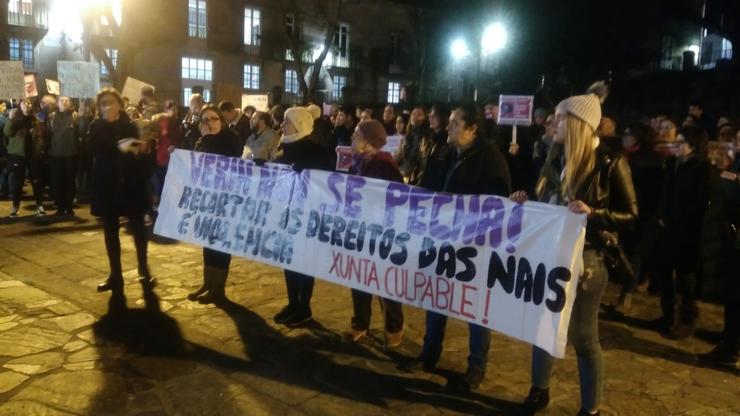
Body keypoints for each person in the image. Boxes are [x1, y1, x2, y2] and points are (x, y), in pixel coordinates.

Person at [512, 82, 637, 416]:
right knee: (541, 326)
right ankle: (539, 391)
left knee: (582, 337)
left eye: (560, 118)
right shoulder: (554, 157)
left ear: (578, 124)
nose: (553, 124)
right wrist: (525, 202)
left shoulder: (611, 162)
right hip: (548, 256)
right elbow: (544, 203)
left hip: (588, 261)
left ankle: (590, 408)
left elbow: (632, 215)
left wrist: (594, 213)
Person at [405, 105, 511, 391]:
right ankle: (429, 353)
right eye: (449, 123)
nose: (448, 128)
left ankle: (476, 365)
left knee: (474, 306)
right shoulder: (444, 152)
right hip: (441, 238)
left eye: (454, 124)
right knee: (436, 297)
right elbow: (430, 187)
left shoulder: (492, 159)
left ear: (472, 129)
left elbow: (497, 205)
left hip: (473, 246)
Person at [89, 87, 154, 302]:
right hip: (107, 185)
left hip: (131, 185)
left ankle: (143, 269)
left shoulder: (130, 125)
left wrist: (141, 148)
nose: (107, 106)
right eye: (103, 103)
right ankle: (115, 275)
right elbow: (94, 148)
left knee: (138, 229)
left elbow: (139, 154)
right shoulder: (96, 126)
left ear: (119, 104)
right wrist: (118, 145)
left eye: (111, 101)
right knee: (110, 231)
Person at [272, 107, 333, 327]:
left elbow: (325, 182)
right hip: (287, 212)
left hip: (308, 215)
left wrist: (306, 171)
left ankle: (304, 306)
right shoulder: (285, 147)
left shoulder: (316, 151)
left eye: (287, 122)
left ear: (298, 124)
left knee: (304, 261)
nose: (282, 125)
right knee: (288, 259)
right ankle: (292, 302)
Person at [346, 119, 404, 347]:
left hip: (381, 234)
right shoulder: (356, 164)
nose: (352, 138)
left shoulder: (385, 167)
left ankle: (394, 327)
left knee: (384, 281)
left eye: (356, 135)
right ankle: (360, 323)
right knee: (359, 276)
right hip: (360, 230)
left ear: (368, 142)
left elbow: (397, 201)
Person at [654, 125, 715, 340]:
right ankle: (668, 314)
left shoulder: (702, 169)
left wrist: (679, 219)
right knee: (663, 272)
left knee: (685, 277)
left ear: (694, 145)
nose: (676, 147)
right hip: (667, 228)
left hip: (687, 231)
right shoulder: (673, 165)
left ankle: (687, 320)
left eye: (681, 143)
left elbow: (699, 203)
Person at [186, 104, 243, 306]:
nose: (210, 123)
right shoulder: (203, 140)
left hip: (226, 198)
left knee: (221, 243)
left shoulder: (231, 139)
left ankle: (218, 289)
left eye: (214, 119)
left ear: (222, 120)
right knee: (208, 241)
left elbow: (229, 164)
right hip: (207, 198)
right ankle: (207, 283)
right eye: (205, 120)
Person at [615, 123, 664, 314]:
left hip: (641, 216)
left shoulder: (650, 162)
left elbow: (649, 194)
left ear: (639, 140)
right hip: (622, 213)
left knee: (633, 255)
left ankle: (626, 295)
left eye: (629, 135)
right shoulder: (623, 156)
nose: (624, 138)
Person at [5, 98, 46, 217]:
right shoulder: (15, 118)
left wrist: (38, 139)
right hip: (18, 155)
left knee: (36, 181)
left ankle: (39, 205)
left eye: (28, 103)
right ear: (19, 106)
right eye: (24, 103)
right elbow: (7, 133)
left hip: (33, 155)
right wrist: (10, 119)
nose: (26, 105)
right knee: (17, 182)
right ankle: (15, 207)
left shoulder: (36, 120)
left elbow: (41, 136)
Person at [47, 96, 80, 216]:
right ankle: (60, 207)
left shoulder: (75, 116)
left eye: (67, 100)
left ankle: (69, 206)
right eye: (62, 100)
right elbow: (47, 134)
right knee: (57, 182)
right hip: (56, 154)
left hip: (71, 154)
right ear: (58, 103)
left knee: (70, 182)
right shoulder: (52, 116)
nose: (64, 102)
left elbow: (79, 133)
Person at [415, 105, 449, 190]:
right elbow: (419, 163)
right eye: (429, 116)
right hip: (421, 186)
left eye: (434, 116)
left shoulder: (448, 142)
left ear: (442, 118)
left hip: (436, 190)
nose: (430, 119)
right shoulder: (427, 139)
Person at [152, 111, 182, 201]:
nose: (164, 123)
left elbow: (178, 145)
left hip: (168, 164)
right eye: (162, 121)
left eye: (166, 121)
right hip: (156, 164)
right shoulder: (154, 134)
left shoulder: (173, 134)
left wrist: (174, 146)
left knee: (167, 184)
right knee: (158, 185)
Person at [395, 106, 428, 183]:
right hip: (402, 173)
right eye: (413, 113)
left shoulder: (426, 138)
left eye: (419, 114)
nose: (415, 116)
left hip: (415, 177)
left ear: (425, 118)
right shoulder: (406, 136)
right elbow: (400, 155)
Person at [76, 98, 96, 203]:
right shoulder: (81, 118)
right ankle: (82, 192)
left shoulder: (90, 119)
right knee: (82, 171)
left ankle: (85, 192)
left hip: (87, 149)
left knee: (86, 171)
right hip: (83, 149)